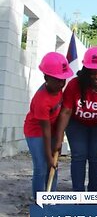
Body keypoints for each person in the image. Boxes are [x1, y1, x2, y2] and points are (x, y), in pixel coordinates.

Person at [54, 46, 97, 192]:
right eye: (92, 73)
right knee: (79, 155)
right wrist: (58, 140)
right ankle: (78, 193)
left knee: (96, 157)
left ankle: (93, 195)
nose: (96, 77)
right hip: (77, 124)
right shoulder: (74, 85)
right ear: (86, 71)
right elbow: (65, 112)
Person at [24, 52, 73, 198]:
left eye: (63, 80)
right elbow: (45, 132)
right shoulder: (41, 100)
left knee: (53, 167)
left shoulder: (58, 90)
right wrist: (48, 155)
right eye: (57, 80)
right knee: (41, 167)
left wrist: (58, 138)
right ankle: (39, 201)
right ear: (46, 78)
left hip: (50, 130)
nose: (61, 83)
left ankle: (50, 198)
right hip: (35, 132)